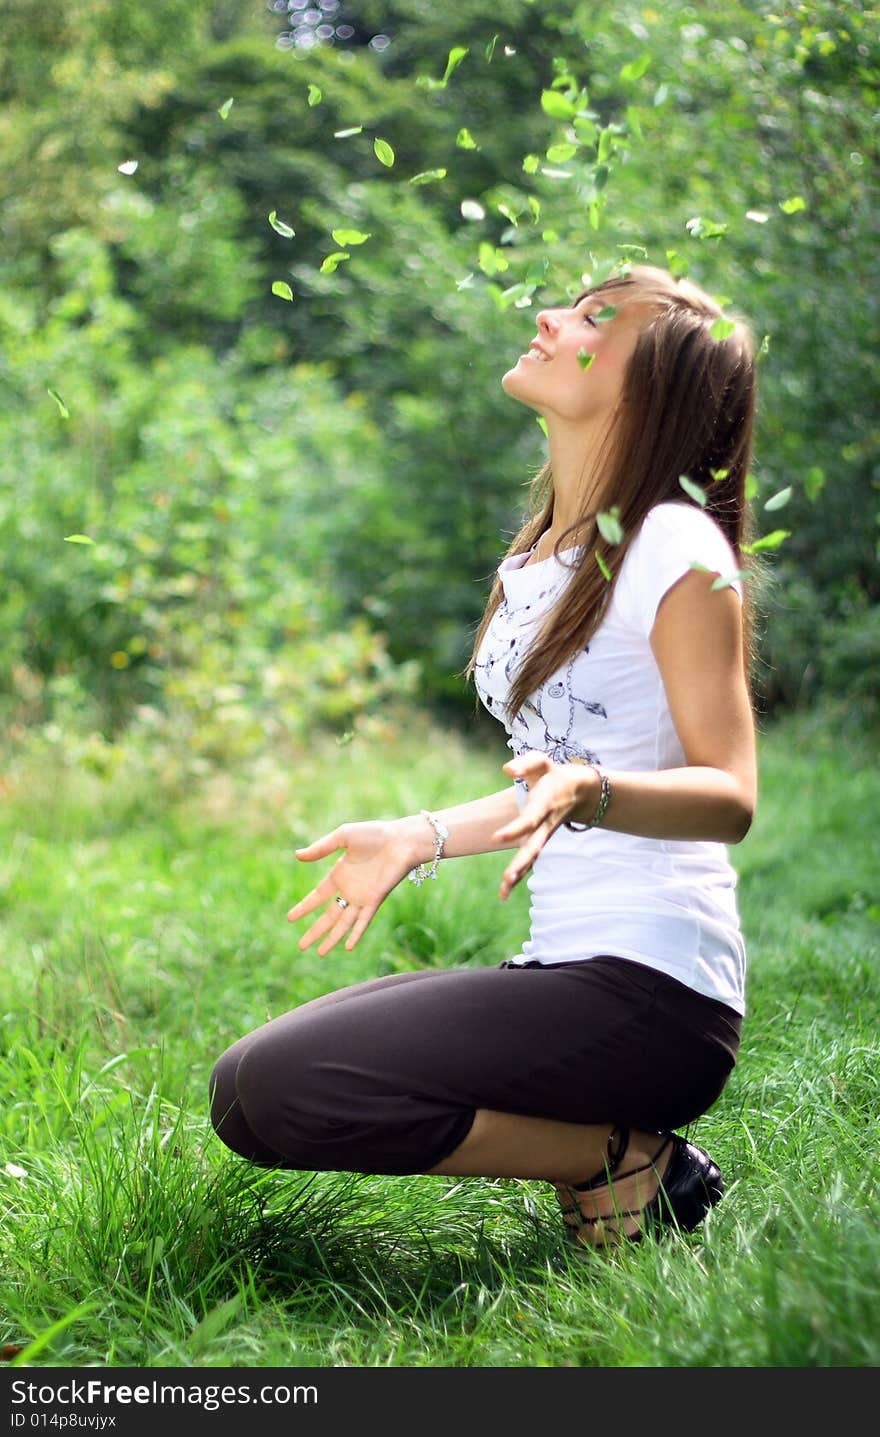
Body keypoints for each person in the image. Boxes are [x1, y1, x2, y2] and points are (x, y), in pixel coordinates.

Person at [209, 263, 758, 1250]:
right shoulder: (551, 550)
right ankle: (616, 1167)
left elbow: (729, 793)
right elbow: (548, 773)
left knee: (291, 1087)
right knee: (247, 1095)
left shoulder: (673, 545)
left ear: (649, 388)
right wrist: (418, 836)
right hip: (567, 966)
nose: (551, 318)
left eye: (595, 318)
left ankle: (628, 1165)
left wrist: (589, 790)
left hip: (656, 992)